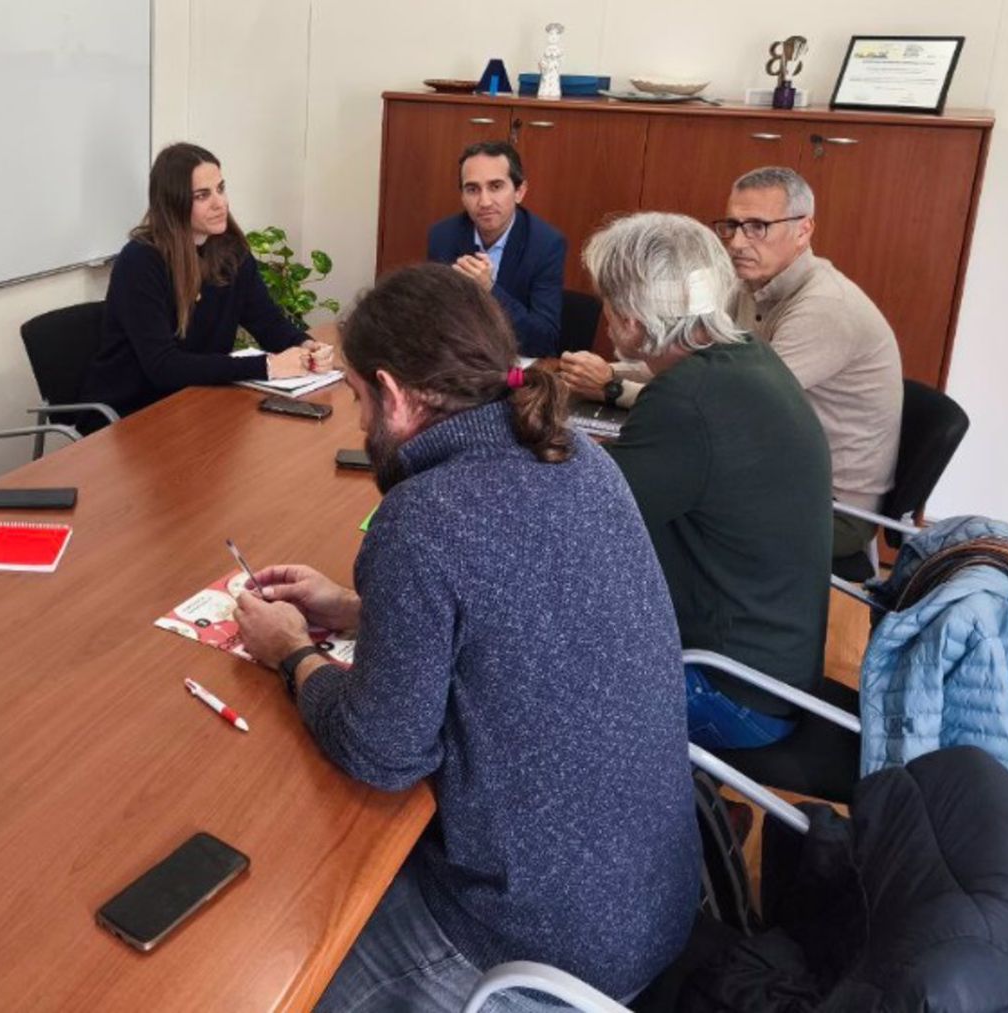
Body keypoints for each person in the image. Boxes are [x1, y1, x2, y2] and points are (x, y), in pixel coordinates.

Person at [231, 264, 698, 1010]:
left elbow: (381, 752)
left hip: (544, 950)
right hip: (659, 898)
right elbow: (515, 608)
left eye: (357, 399)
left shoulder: (422, 519)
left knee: (291, 974)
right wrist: (358, 608)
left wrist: (292, 650)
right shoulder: (584, 459)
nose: (358, 425)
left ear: (392, 393)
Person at [583, 212, 832, 750]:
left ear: (629, 320)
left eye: (606, 301)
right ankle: (692, 805)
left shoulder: (686, 401)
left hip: (732, 692)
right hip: (777, 661)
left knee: (525, 678)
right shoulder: (744, 355)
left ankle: (658, 819)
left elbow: (583, 523)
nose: (604, 315)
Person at [560, 167, 901, 558]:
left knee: (632, 526)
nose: (738, 242)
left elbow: (727, 407)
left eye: (757, 227)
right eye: (732, 226)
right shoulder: (747, 285)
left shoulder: (826, 309)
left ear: (804, 230)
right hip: (765, 467)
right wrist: (610, 372)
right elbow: (683, 346)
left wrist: (613, 388)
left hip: (828, 506)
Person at [80, 142, 336, 421]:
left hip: (197, 402)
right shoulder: (141, 261)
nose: (220, 203)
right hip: (132, 415)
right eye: (202, 195)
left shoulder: (231, 251)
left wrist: (305, 345)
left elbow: (267, 321)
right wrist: (268, 366)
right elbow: (164, 366)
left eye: (221, 189)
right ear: (174, 203)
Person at [427, 140, 569, 357]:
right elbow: (434, 316)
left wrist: (490, 289)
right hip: (458, 360)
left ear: (519, 191)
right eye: (472, 189)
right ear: (462, 196)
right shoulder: (443, 236)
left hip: (513, 361)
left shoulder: (546, 244)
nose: (484, 202)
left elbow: (544, 340)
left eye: (496, 187)